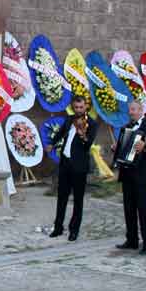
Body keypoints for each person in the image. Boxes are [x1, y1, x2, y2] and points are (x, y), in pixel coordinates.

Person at [45, 95, 98, 241]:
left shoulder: (92, 124)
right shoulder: (69, 119)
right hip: (65, 164)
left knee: (78, 200)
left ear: (86, 106)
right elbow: (60, 133)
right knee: (61, 197)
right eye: (76, 107)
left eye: (81, 107)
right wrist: (52, 143)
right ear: (73, 107)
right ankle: (58, 227)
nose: (79, 110)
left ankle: (74, 230)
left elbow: (87, 145)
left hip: (79, 167)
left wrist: (82, 135)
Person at [113, 99, 146, 255]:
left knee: (144, 209)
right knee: (129, 208)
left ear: (141, 110)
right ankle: (132, 240)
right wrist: (115, 149)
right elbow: (123, 149)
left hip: (143, 174)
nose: (131, 112)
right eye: (130, 110)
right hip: (127, 173)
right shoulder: (126, 127)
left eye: (134, 109)